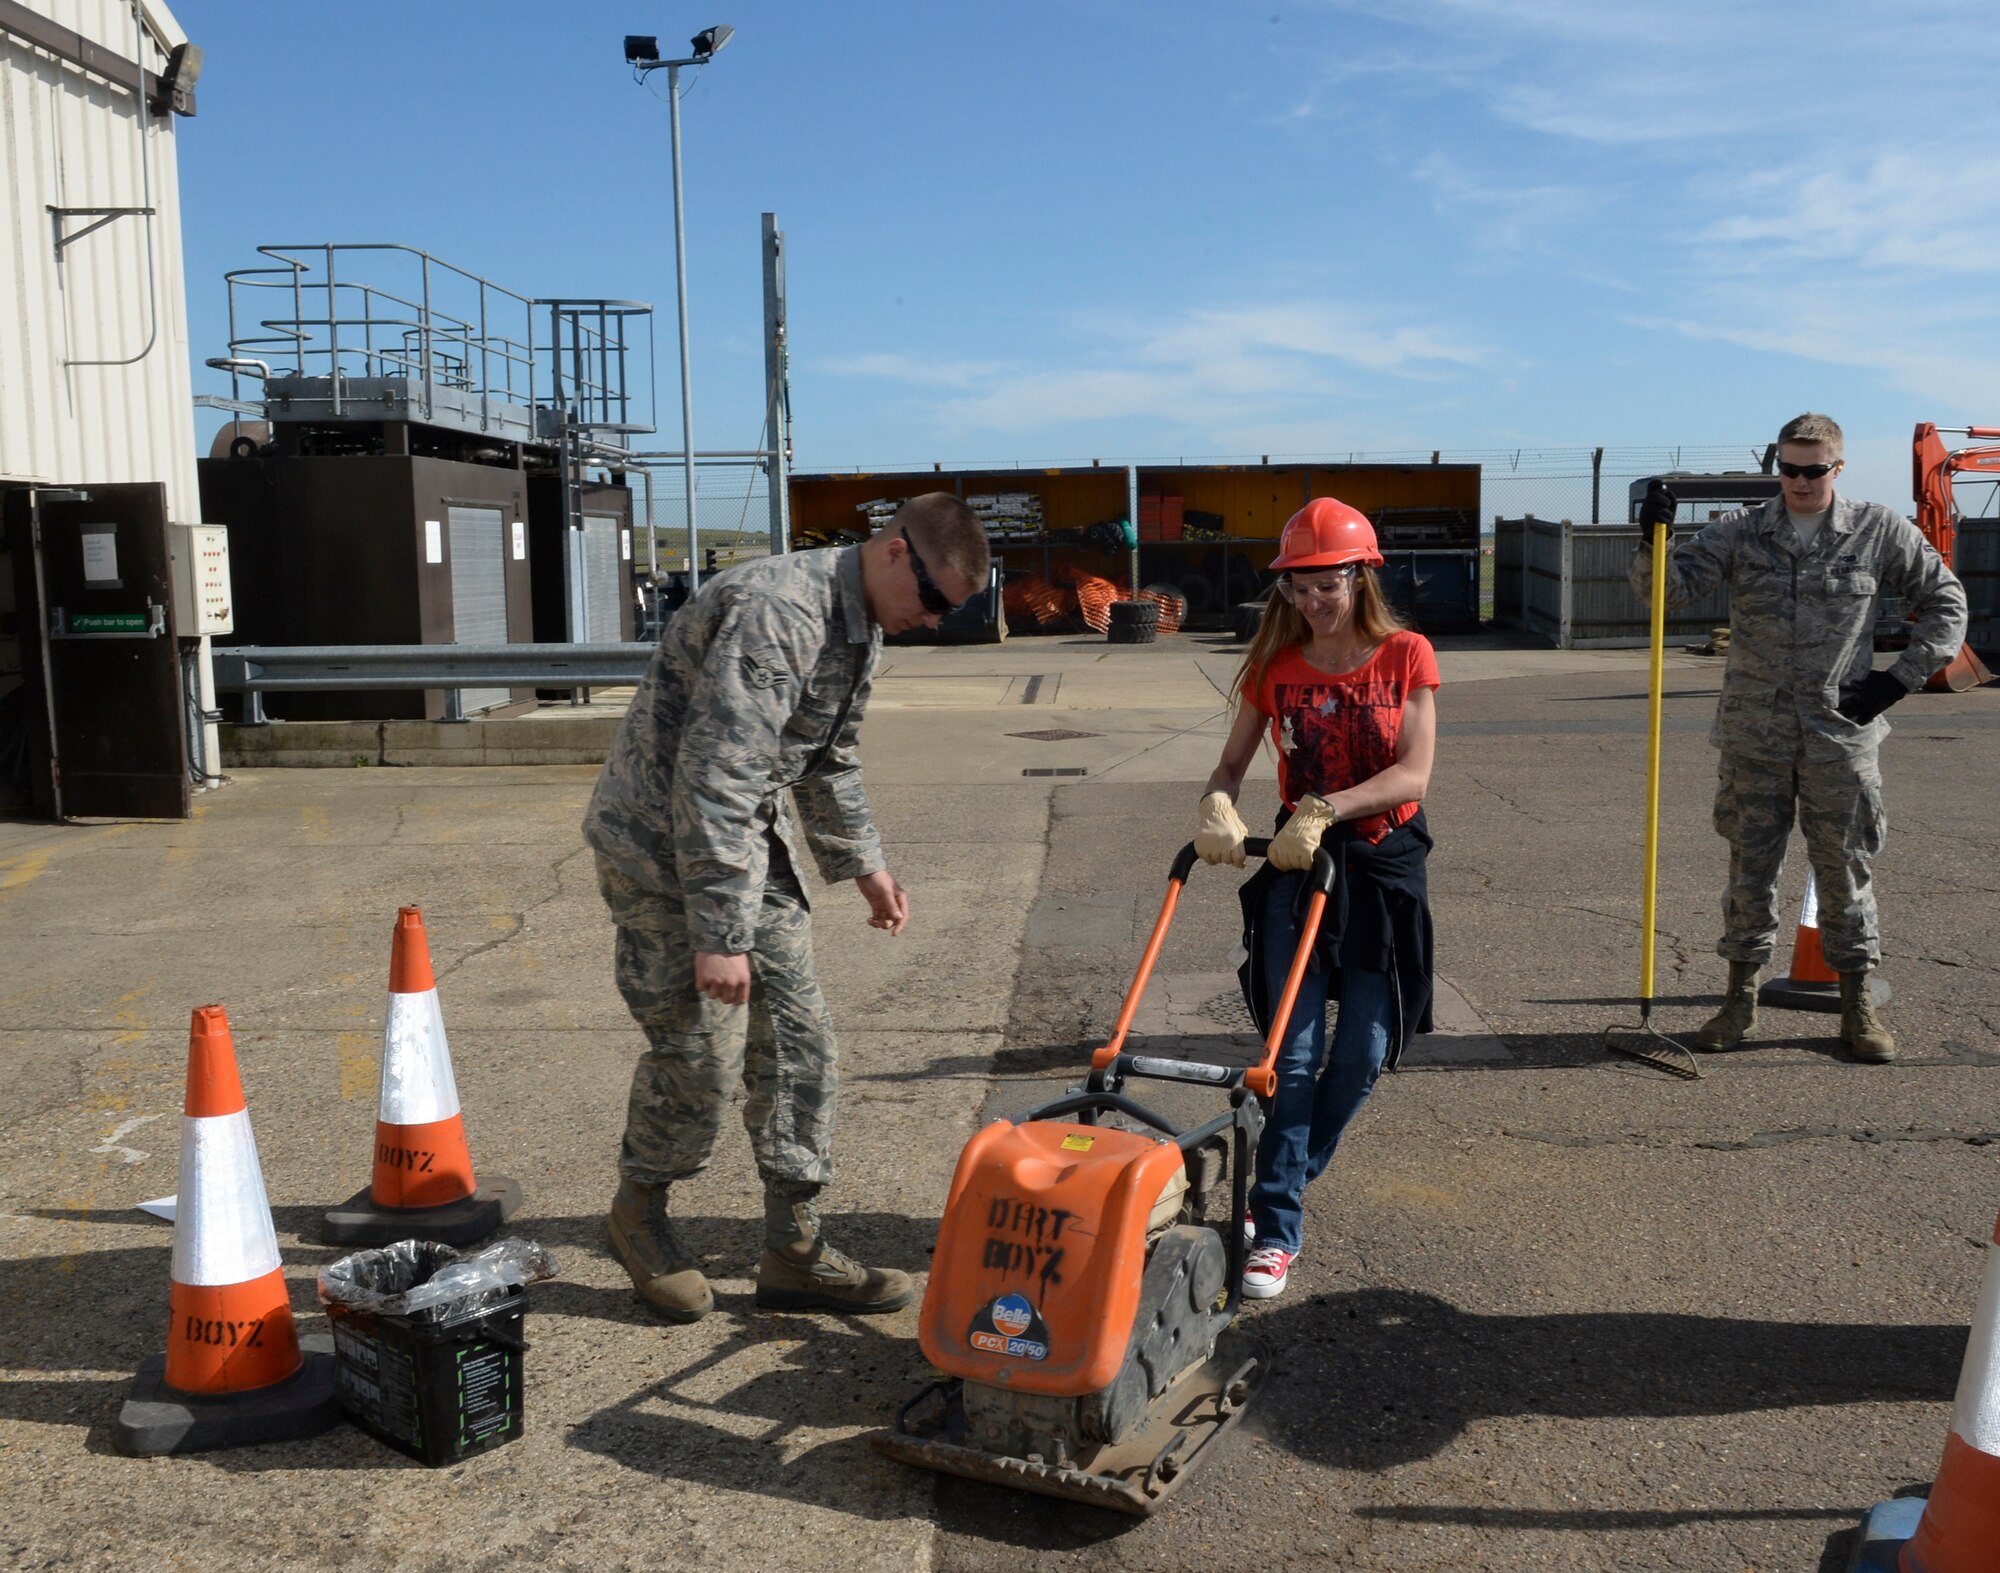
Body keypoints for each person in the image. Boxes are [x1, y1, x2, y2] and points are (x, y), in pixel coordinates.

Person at [583, 494, 990, 1322]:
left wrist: (864, 864)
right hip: (663, 855)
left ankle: (794, 1246)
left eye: (953, 610)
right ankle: (640, 1214)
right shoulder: (778, 611)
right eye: (936, 600)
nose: (937, 621)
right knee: (702, 1054)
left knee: (802, 1041)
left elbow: (827, 755)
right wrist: (720, 935)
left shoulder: (860, 625)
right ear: (892, 551)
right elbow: (714, 778)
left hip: (740, 850)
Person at [1631, 413, 1967, 1062]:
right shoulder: (1742, 532)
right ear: (1776, 467)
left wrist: (1896, 681)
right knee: (1748, 874)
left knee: (1845, 874)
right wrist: (1653, 538)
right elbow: (1665, 594)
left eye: (1814, 469)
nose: (1800, 480)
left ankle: (1856, 1008)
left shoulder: (1877, 530)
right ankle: (1739, 1001)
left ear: (1837, 468)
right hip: (1754, 738)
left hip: (1840, 738)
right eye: (1788, 468)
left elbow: (1947, 601)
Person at [1194, 498, 1439, 1300]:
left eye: (1325, 583)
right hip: (1298, 865)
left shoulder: (1405, 654)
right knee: (1290, 1057)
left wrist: (1331, 804)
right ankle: (1277, 1226)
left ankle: (1278, 1184)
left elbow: (1413, 774)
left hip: (1380, 865)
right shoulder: (1275, 665)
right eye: (1298, 587)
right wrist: (1218, 805)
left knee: (1365, 1051)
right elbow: (1231, 764)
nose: (1311, 601)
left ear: (1361, 573)